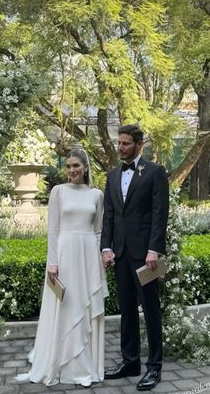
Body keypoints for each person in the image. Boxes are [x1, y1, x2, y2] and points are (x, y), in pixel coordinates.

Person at [16, 149, 108, 387]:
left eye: (76, 166)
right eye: (68, 166)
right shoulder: (58, 192)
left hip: (88, 255)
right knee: (66, 305)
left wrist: (99, 261)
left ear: (86, 167)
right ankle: (60, 360)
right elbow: (53, 230)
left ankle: (85, 363)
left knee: (84, 306)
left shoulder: (97, 195)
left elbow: (98, 231)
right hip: (65, 256)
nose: (71, 171)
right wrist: (53, 262)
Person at [101, 125, 169, 391]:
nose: (121, 148)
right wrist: (106, 247)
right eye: (119, 143)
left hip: (146, 255)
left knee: (151, 311)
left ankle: (154, 368)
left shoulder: (154, 172)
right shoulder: (112, 174)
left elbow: (159, 213)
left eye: (126, 144)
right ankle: (130, 362)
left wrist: (155, 249)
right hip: (120, 253)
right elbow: (109, 214)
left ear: (139, 145)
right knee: (127, 311)